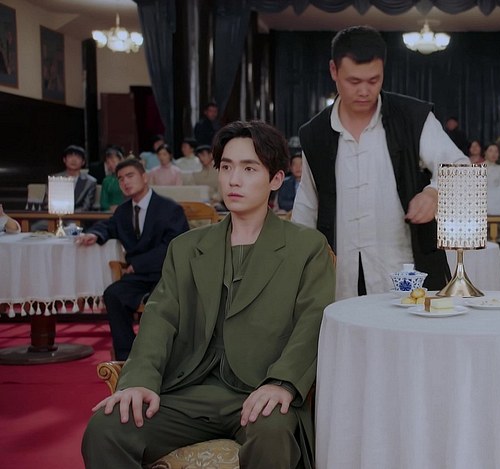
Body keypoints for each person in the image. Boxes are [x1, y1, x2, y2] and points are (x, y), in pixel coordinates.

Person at [81, 120, 335, 469]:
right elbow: (160, 317)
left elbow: (314, 319)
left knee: (273, 433)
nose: (233, 180)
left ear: (276, 179)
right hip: (188, 389)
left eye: (249, 169)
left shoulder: (307, 247)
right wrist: (139, 380)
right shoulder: (186, 248)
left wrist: (283, 384)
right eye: (226, 167)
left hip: (261, 389)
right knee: (106, 428)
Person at [294, 25, 466, 299]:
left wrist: (434, 194)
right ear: (334, 71)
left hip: (406, 267)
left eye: (374, 80)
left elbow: (461, 167)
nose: (364, 91)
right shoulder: (315, 134)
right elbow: (306, 207)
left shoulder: (412, 117)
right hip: (340, 274)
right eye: (354, 81)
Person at [76, 159, 189, 360]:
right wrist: (95, 234)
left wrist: (138, 264)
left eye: (130, 176)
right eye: (120, 179)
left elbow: (175, 247)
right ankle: (126, 356)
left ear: (144, 177)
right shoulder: (123, 211)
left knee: (159, 300)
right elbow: (108, 226)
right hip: (139, 276)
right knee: (113, 294)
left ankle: (161, 356)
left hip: (167, 274)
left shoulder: (169, 208)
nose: (125, 182)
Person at [46, 145, 98, 211]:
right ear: (64, 160)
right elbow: (47, 203)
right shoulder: (54, 179)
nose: (74, 160)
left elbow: (86, 207)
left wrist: (69, 214)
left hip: (78, 215)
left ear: (83, 162)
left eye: (78, 157)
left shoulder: (90, 182)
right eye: (70, 156)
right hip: (55, 214)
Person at [100, 146, 126, 212]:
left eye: (113, 161)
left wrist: (119, 207)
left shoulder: (129, 179)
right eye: (108, 163)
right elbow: (103, 203)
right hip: (110, 212)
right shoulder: (106, 181)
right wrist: (111, 208)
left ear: (121, 160)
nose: (110, 165)